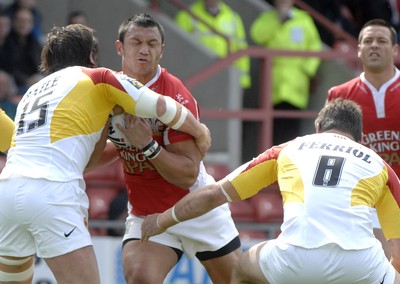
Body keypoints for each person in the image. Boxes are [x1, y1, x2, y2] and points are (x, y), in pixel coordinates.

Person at [0, 24, 210, 284]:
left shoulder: (31, 92)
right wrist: (199, 132)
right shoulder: (96, 76)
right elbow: (159, 105)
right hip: (52, 192)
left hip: (7, 192)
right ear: (91, 57)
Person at [141, 98, 400, 284]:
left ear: (318, 129)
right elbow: (398, 254)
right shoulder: (381, 166)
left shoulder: (289, 149)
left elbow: (213, 194)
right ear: (360, 137)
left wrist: (162, 220)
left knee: (243, 267)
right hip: (358, 265)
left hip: (295, 260)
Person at [95, 13, 241, 283]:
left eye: (152, 44)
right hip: (147, 214)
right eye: (136, 42)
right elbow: (106, 152)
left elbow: (187, 174)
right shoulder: (108, 90)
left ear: (161, 51)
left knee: (236, 281)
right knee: (140, 276)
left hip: (195, 209)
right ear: (119, 48)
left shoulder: (175, 95)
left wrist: (148, 145)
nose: (144, 50)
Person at [327, 18, 400, 259]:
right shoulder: (339, 95)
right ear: (358, 50)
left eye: (381, 41)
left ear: (395, 49)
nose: (374, 46)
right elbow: (329, 153)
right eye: (367, 41)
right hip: (361, 203)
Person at [250, 0, 322, 145]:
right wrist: (278, 20)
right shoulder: (268, 18)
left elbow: (315, 47)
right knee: (272, 130)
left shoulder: (303, 19)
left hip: (296, 84)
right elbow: (257, 36)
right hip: (273, 83)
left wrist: (307, 70)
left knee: (291, 129)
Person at [175, 0, 251, 91]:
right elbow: (178, 51)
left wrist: (242, 82)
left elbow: (241, 50)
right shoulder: (186, 15)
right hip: (196, 77)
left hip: (225, 78)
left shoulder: (233, 17)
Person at [1, 7, 42, 94]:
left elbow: (40, 65)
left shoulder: (35, 43)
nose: (24, 24)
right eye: (20, 20)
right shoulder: (6, 41)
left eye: (28, 21)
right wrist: (26, 80)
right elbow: (8, 67)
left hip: (34, 81)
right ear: (14, 22)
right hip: (14, 83)